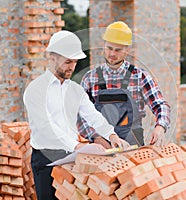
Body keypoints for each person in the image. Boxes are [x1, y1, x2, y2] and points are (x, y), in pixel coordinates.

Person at [23, 30, 129, 200]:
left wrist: (111, 134)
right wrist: (78, 146)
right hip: (45, 160)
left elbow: (93, 115)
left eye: (75, 62)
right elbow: (45, 127)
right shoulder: (35, 90)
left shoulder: (75, 90)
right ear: (52, 57)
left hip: (71, 159)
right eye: (68, 62)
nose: (72, 67)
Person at [78, 21, 171, 147]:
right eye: (109, 48)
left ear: (127, 50)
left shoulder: (140, 76)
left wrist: (160, 126)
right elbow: (80, 114)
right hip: (101, 147)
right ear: (103, 45)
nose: (112, 54)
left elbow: (160, 105)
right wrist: (97, 138)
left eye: (118, 50)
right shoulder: (90, 78)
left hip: (133, 146)